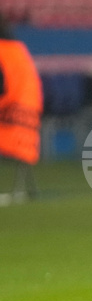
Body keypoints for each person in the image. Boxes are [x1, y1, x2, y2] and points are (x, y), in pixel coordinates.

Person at [0, 12, 42, 204]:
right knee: (22, 150)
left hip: (9, 108)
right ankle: (24, 189)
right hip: (27, 108)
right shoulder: (18, 51)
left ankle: (18, 190)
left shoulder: (4, 52)